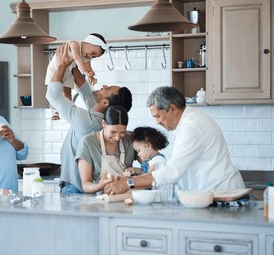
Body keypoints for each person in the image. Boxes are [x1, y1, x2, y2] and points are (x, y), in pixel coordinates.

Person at [104, 86, 245, 195]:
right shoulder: (188, 122)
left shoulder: (192, 127)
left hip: (222, 193)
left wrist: (128, 183)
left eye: (158, 116)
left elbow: (172, 172)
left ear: (172, 109)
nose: (157, 122)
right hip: (214, 192)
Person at [46, 43, 133, 194]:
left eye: (107, 88)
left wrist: (61, 67)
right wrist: (75, 62)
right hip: (94, 188)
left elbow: (53, 95)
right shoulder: (100, 115)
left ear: (105, 102)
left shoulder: (87, 122)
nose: (104, 85)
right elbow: (84, 89)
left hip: (75, 187)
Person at [45, 33, 108, 120]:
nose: (90, 56)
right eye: (93, 53)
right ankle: (54, 110)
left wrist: (90, 75)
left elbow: (88, 66)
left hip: (69, 71)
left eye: (93, 56)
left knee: (67, 92)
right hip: (56, 68)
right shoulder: (75, 44)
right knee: (53, 90)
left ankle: (68, 110)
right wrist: (85, 71)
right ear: (88, 42)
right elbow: (77, 58)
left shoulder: (87, 55)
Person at [76, 105, 136, 193]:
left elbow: (150, 167)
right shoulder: (87, 143)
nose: (117, 138)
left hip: (126, 196)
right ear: (103, 124)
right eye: (113, 132)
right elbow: (86, 185)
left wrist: (135, 171)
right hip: (99, 199)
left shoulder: (130, 139)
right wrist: (98, 186)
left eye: (122, 132)